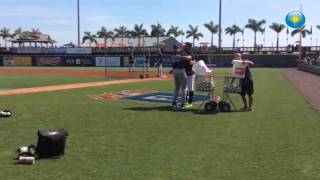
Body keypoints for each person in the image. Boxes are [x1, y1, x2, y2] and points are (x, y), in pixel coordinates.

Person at [171, 42, 193, 109]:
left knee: (177, 88)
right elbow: (188, 58)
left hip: (175, 71)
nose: (183, 46)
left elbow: (174, 58)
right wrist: (181, 57)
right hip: (181, 70)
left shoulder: (176, 53)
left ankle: (174, 102)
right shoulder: (183, 52)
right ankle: (182, 104)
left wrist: (178, 57)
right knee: (183, 88)